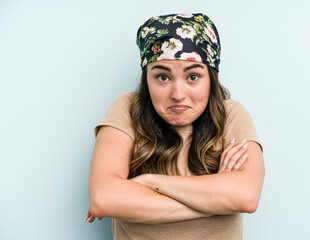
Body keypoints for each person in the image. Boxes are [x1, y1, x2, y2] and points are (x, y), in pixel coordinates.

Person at [85, 13, 265, 240]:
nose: (178, 95)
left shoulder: (232, 116)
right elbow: (103, 198)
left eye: (193, 77)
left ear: (211, 79)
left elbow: (246, 197)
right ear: (146, 78)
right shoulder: (127, 110)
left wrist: (149, 182)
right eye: (162, 77)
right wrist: (214, 201)